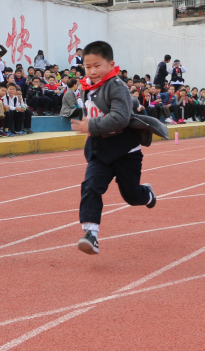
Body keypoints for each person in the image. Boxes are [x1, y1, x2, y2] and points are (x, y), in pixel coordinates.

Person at [71, 41, 167, 255]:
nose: (92, 71)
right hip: (100, 149)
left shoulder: (116, 86)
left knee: (132, 196)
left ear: (111, 64)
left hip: (125, 151)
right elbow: (92, 111)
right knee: (91, 186)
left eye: (97, 65)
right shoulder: (87, 86)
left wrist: (91, 125)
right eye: (88, 67)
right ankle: (91, 235)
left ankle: (148, 194)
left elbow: (120, 119)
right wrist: (88, 126)